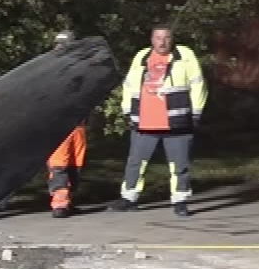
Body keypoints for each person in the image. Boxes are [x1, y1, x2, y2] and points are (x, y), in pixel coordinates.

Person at [110, 23, 207, 218]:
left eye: (166, 38)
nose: (162, 42)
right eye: (158, 38)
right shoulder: (141, 56)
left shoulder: (185, 56)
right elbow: (129, 85)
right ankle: (129, 198)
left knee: (179, 164)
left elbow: (198, 85)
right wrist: (128, 111)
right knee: (135, 162)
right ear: (151, 39)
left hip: (176, 121)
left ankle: (180, 201)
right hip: (144, 121)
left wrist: (196, 112)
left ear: (172, 39)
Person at [46, 31, 88, 218]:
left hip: (78, 123)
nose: (61, 49)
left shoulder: (82, 68)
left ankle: (68, 201)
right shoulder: (49, 70)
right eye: (59, 45)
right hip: (58, 124)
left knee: (75, 165)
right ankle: (59, 204)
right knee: (59, 165)